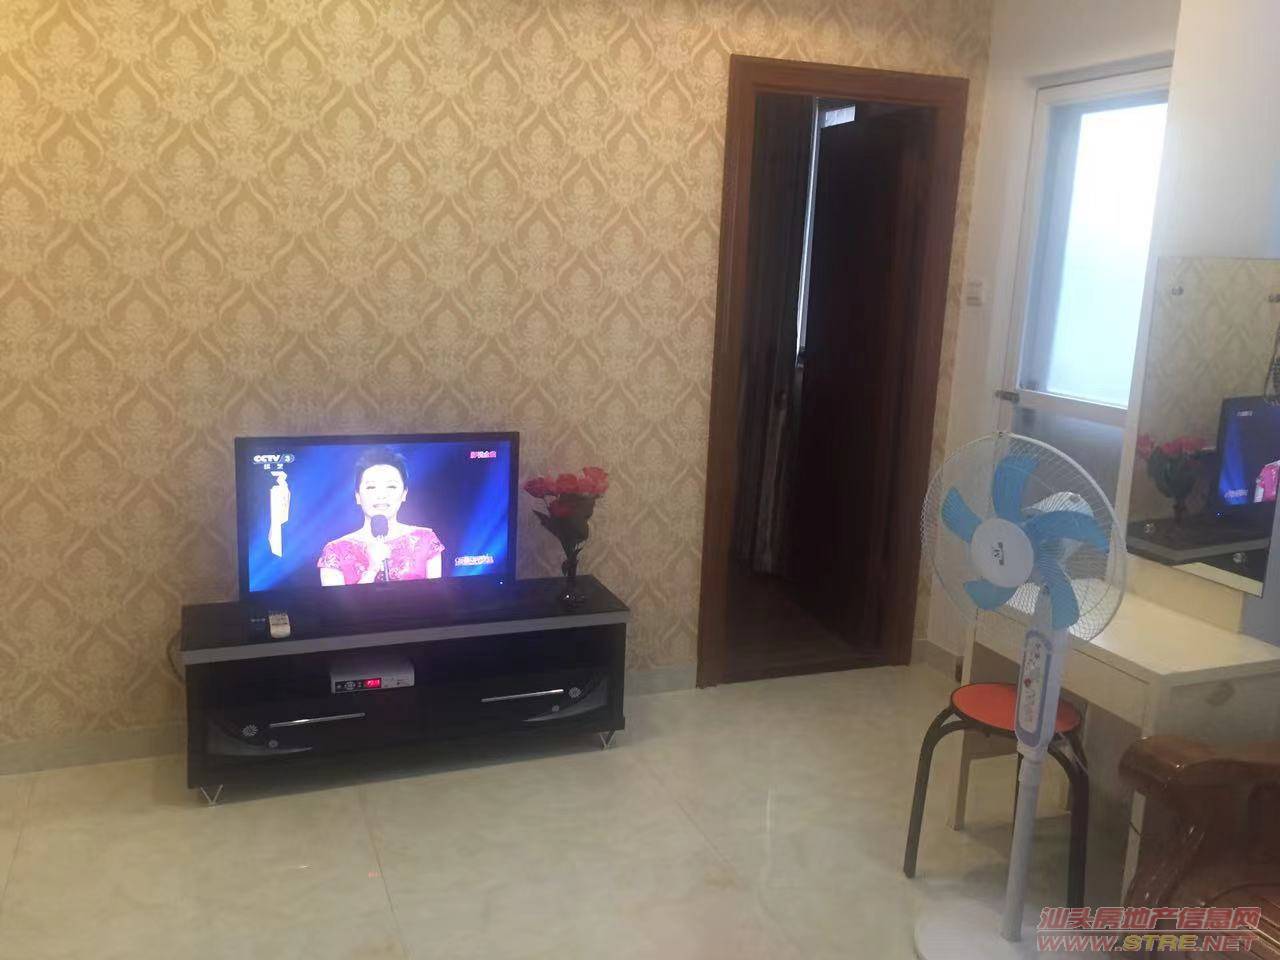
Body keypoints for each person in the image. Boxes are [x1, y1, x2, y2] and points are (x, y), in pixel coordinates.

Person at [317, 447, 444, 585]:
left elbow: (436, 596)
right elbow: (334, 600)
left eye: (391, 487)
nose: (381, 495)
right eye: (371, 487)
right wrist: (372, 569)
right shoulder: (335, 551)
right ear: (357, 496)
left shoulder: (425, 539)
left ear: (404, 494)